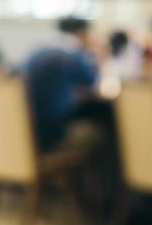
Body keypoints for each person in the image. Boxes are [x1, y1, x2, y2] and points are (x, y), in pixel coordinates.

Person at [23, 16, 109, 151]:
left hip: (29, 132)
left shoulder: (38, 51)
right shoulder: (73, 53)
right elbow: (95, 86)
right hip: (53, 134)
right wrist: (100, 57)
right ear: (82, 33)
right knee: (105, 117)